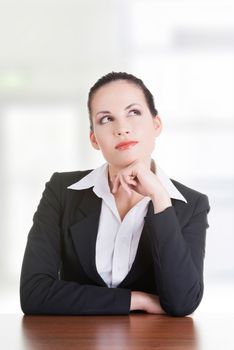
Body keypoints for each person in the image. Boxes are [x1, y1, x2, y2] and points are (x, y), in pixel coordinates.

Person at [20, 72, 210, 317]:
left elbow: (183, 302)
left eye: (133, 113)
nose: (122, 129)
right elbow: (34, 294)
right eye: (106, 119)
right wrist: (136, 300)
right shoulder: (62, 191)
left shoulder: (191, 204)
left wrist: (160, 200)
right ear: (94, 139)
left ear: (156, 125)